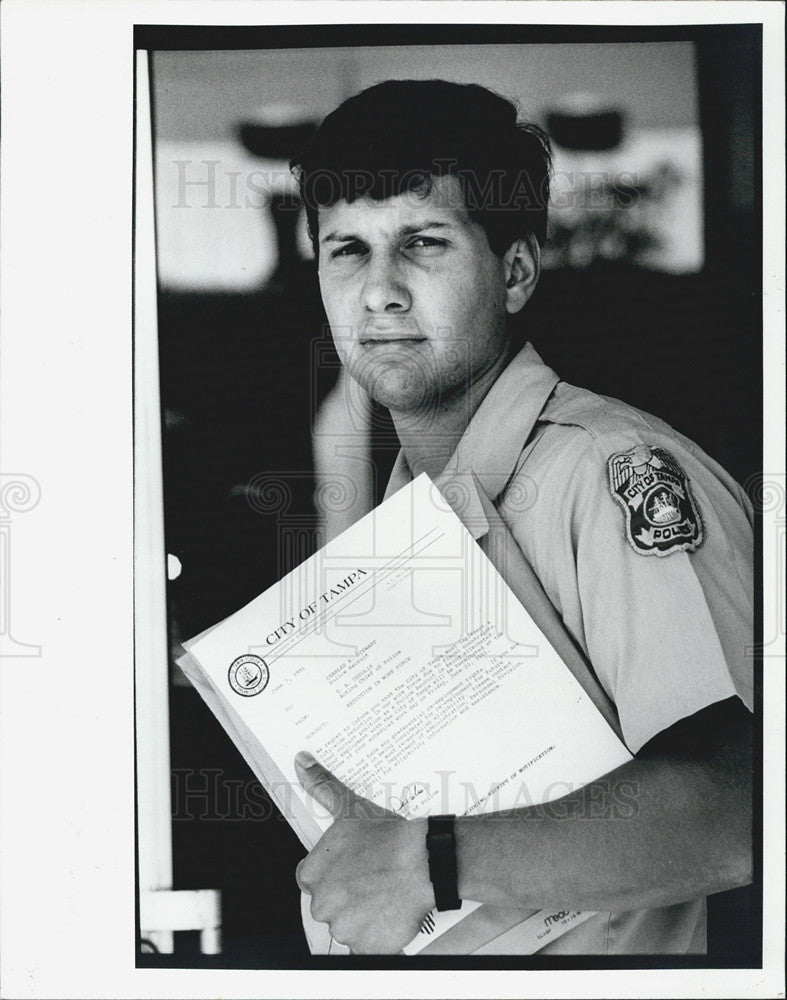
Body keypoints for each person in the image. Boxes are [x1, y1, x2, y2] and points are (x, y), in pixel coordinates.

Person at [288, 80, 753, 955]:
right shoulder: (403, 515)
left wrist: (430, 863)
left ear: (513, 271)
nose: (378, 292)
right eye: (346, 249)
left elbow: (738, 809)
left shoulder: (601, 470)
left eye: (422, 243)